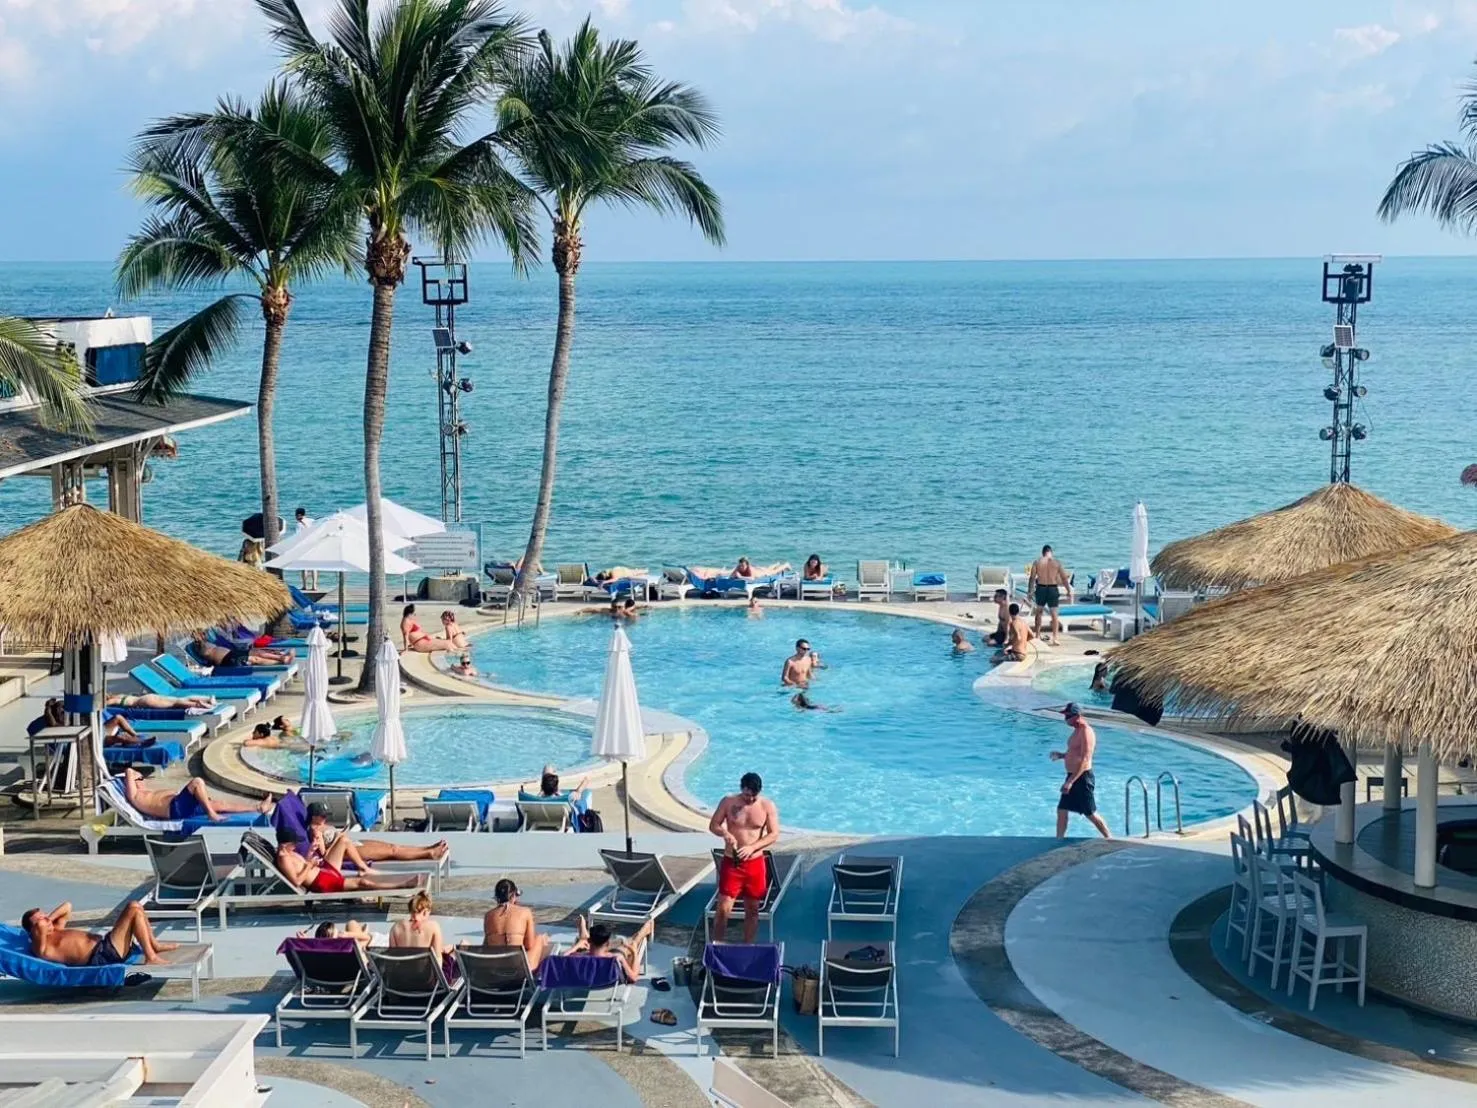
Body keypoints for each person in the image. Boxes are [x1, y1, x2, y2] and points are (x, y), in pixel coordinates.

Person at [708, 772, 781, 944]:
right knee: (723, 909)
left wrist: (752, 847)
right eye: (747, 795)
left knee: (753, 910)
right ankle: (717, 945)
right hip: (732, 863)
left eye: (754, 795)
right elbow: (714, 825)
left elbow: (774, 834)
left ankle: (748, 946)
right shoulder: (728, 802)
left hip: (755, 864)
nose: (750, 799)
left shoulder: (766, 806)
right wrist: (725, 834)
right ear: (742, 789)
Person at [22, 900, 178, 968]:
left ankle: (154, 946)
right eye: (40, 920)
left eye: (45, 916)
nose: (45, 920)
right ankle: (151, 957)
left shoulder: (56, 929)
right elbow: (40, 927)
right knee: (132, 908)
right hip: (103, 956)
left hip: (106, 946)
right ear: (33, 931)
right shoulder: (42, 947)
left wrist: (49, 918)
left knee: (136, 906)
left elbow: (67, 906)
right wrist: (42, 922)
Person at [274, 827, 420, 894]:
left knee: (343, 840)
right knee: (363, 883)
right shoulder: (284, 859)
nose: (296, 845)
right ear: (285, 844)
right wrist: (310, 865)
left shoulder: (289, 852)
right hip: (322, 882)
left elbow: (303, 864)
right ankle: (403, 885)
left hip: (323, 870)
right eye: (294, 843)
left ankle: (364, 868)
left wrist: (311, 851)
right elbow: (297, 881)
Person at [305, 802, 449, 865]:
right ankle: (429, 854)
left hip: (353, 845)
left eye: (326, 815)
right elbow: (326, 855)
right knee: (392, 851)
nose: (325, 818)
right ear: (313, 817)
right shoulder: (315, 831)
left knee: (393, 846)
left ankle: (427, 849)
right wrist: (340, 839)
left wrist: (341, 835)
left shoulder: (321, 825)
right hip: (349, 851)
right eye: (322, 816)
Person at [121, 766, 270, 823]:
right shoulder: (136, 796)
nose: (142, 781)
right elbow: (129, 771)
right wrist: (134, 776)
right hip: (175, 809)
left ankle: (258, 808)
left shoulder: (146, 792)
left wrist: (138, 777)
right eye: (139, 780)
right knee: (197, 782)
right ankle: (211, 814)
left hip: (179, 806)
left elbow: (135, 774)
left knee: (219, 804)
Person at [1050, 703, 1111, 839]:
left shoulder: (1086, 732)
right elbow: (1075, 752)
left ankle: (1110, 838)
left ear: (1077, 716)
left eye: (1068, 716)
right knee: (1062, 809)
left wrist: (1070, 782)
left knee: (1090, 813)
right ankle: (1059, 839)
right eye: (1065, 716)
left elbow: (1085, 759)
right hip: (1072, 776)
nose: (1065, 719)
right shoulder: (1076, 730)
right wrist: (1062, 755)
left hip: (1082, 778)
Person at [481, 878, 551, 971]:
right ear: (513, 895)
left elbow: (486, 947)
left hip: (496, 969)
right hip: (519, 970)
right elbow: (529, 945)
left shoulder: (488, 915)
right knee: (539, 939)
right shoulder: (525, 912)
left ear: (496, 898)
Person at [567, 915, 653, 983]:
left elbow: (561, 958)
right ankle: (640, 935)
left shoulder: (577, 957)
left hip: (589, 977)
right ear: (607, 943)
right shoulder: (616, 958)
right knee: (630, 945)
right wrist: (634, 952)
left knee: (583, 948)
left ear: (589, 941)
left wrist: (577, 945)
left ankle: (583, 938)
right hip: (607, 981)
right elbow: (633, 978)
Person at [1026, 544, 1073, 647]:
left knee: (1039, 612)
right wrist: (1069, 590)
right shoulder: (1057, 562)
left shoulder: (1037, 562)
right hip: (1052, 589)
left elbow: (1032, 578)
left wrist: (1030, 591)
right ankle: (1055, 638)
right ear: (1051, 552)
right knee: (1054, 614)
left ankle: (1037, 635)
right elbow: (1064, 578)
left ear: (1042, 553)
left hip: (1041, 588)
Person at [389, 891, 452, 958]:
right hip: (425, 965)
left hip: (403, 964)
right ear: (425, 912)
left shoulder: (396, 928)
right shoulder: (434, 927)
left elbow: (392, 959)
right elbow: (437, 959)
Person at [192, 630, 293, 667]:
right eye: (200, 635)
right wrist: (199, 641)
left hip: (231, 654)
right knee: (255, 659)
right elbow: (205, 655)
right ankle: (280, 662)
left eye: (202, 634)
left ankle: (281, 657)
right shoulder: (199, 649)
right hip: (227, 660)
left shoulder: (208, 641)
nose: (202, 635)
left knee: (256, 652)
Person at [108, 691, 216, 711]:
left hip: (146, 701)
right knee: (180, 700)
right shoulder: (120, 695)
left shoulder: (118, 700)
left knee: (176, 703)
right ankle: (207, 699)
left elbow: (110, 702)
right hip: (148, 697)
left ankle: (202, 705)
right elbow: (111, 700)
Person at [294, 507, 318, 590]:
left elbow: (298, 537)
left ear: (298, 515)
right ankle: (314, 586)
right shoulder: (312, 521)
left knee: (304, 567)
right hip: (313, 545)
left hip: (304, 547)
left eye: (296, 515)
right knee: (314, 567)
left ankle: (304, 586)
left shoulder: (299, 524)